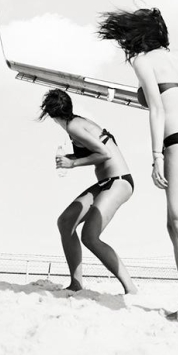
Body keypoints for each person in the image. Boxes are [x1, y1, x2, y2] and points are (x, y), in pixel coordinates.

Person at [98, 6, 178, 323]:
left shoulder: (142, 61)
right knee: (175, 226)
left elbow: (157, 110)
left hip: (177, 143)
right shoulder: (176, 58)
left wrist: (156, 157)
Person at [38, 88, 136, 295]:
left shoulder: (74, 126)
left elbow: (104, 153)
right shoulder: (75, 123)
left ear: (51, 113)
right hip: (105, 183)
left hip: (118, 182)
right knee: (65, 221)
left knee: (90, 236)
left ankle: (131, 288)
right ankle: (76, 284)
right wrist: (71, 159)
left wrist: (72, 164)